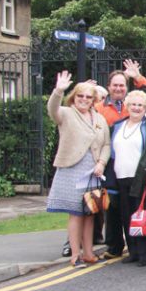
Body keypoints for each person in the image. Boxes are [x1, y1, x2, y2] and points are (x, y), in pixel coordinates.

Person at [46, 71, 111, 268]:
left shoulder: (99, 119)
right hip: (72, 168)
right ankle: (76, 255)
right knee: (75, 213)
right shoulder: (66, 113)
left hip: (93, 171)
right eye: (80, 96)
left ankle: (89, 253)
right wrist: (58, 90)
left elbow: (106, 145)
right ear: (74, 97)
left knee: (90, 212)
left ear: (93, 100)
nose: (84, 99)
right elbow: (52, 109)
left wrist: (101, 163)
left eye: (88, 97)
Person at [106, 90, 146, 267]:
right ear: (127, 106)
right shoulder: (118, 126)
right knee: (128, 216)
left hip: (142, 178)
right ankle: (133, 251)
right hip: (121, 177)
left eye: (140, 105)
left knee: (144, 215)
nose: (136, 108)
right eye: (133, 104)